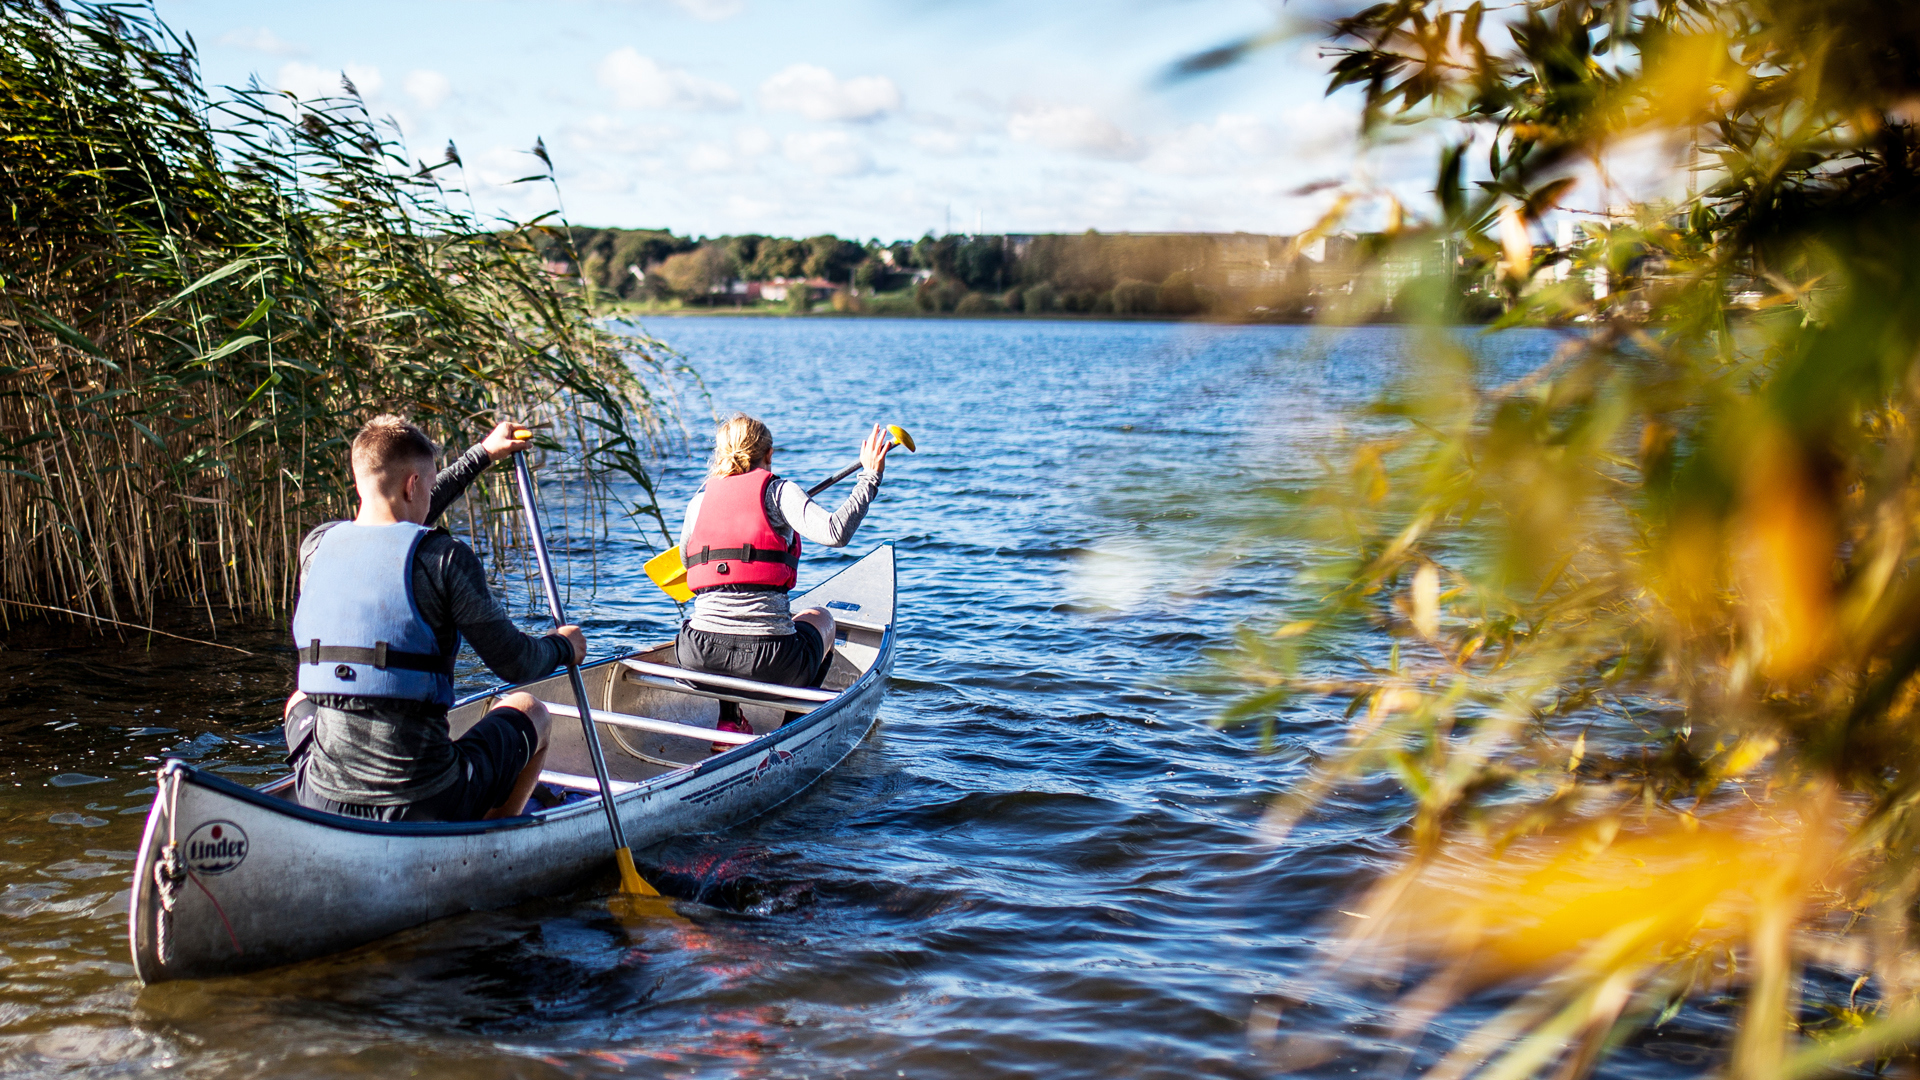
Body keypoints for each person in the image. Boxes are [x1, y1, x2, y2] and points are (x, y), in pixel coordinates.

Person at [282, 415, 585, 821]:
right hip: (424, 798)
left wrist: (482, 454)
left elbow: (396, 529)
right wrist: (564, 646)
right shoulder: (446, 560)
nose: (428, 492)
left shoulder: (315, 548)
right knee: (532, 710)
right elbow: (517, 663)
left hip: (321, 795)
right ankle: (493, 836)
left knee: (299, 700)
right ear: (412, 485)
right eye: (427, 482)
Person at [676, 415, 894, 741]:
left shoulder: (699, 501)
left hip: (697, 656)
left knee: (717, 617)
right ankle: (791, 728)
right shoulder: (779, 492)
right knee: (821, 618)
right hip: (770, 660)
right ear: (769, 454)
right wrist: (870, 478)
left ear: (722, 455)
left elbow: (684, 559)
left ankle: (729, 721)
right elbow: (835, 532)